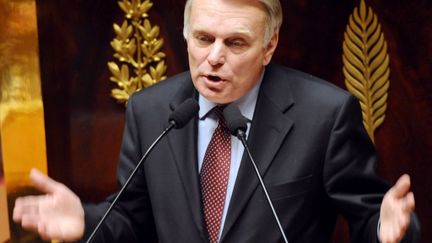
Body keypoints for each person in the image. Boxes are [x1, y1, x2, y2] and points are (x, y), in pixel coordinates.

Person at [13, 0, 419, 242]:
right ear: (186, 36)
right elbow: (132, 219)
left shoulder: (324, 116)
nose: (215, 57)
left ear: (269, 45)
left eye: (236, 42)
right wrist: (86, 221)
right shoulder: (151, 110)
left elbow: (370, 217)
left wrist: (386, 232)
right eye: (204, 38)